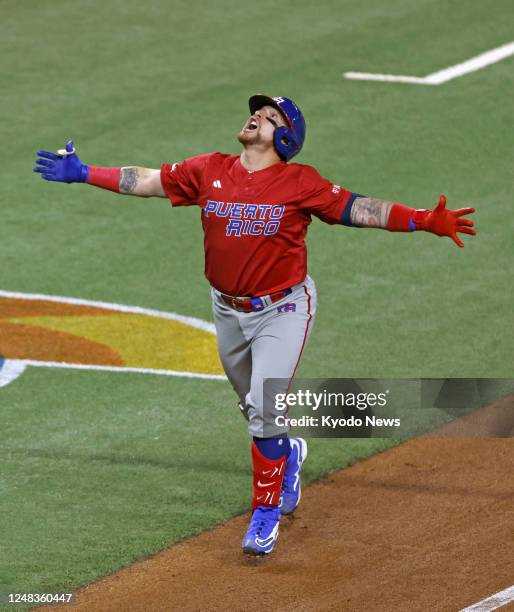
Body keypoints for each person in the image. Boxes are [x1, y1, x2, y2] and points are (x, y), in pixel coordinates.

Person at [33, 95, 476, 556]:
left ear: (285, 138)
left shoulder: (299, 182)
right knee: (254, 408)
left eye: (270, 117)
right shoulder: (209, 169)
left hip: (283, 309)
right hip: (227, 310)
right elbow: (146, 180)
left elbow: (359, 209)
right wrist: (85, 173)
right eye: (258, 112)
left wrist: (423, 220)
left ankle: (264, 515)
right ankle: (288, 457)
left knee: (264, 406)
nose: (257, 117)